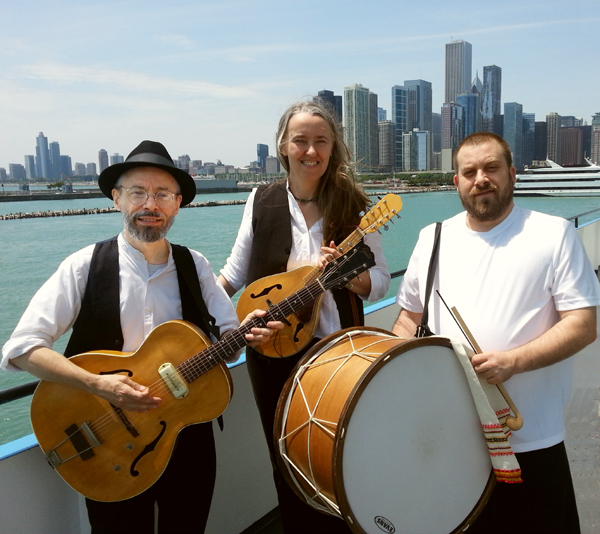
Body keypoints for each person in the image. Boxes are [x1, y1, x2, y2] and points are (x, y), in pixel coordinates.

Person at [1, 140, 282, 534]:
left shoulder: (195, 265)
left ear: (177, 203)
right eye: (138, 192)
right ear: (117, 199)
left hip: (186, 436)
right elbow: (22, 349)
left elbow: (230, 334)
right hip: (108, 441)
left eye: (162, 194)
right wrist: (97, 384)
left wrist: (249, 332)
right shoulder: (83, 267)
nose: (150, 204)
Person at [392, 132, 600, 534]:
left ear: (512, 174)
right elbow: (406, 321)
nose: (480, 179)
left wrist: (513, 361)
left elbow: (582, 324)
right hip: (453, 438)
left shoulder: (553, 233)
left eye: (491, 168)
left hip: (531, 437)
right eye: (469, 172)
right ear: (456, 182)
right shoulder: (432, 239)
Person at [218, 101, 390, 533]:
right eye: (301, 140)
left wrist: (349, 278)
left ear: (334, 148)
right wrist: (207, 315)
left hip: (336, 353)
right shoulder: (261, 199)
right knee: (286, 459)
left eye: (321, 141)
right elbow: (235, 273)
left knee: (340, 456)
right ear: (283, 145)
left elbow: (382, 280)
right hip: (271, 350)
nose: (310, 150)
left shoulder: (355, 203)